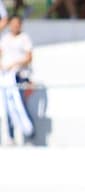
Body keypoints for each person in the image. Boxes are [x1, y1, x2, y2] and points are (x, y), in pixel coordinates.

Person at [0, 14, 34, 145]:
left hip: (19, 77)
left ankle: (30, 133)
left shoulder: (24, 38)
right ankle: (10, 136)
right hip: (6, 77)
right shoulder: (5, 38)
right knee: (8, 107)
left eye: (17, 24)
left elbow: (29, 57)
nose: (15, 26)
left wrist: (15, 64)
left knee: (20, 106)